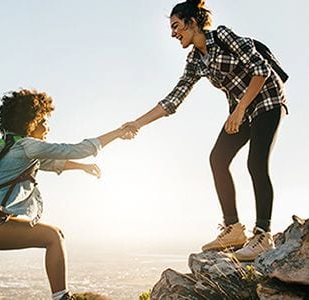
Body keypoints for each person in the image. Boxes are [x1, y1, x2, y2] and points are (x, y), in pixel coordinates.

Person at [122, 0, 287, 261]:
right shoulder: (195, 61)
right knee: (217, 159)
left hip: (266, 98)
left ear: (192, 22)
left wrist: (240, 109)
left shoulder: (222, 36)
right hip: (240, 109)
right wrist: (136, 123)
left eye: (176, 26)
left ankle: (263, 235)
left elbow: (261, 70)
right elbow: (173, 100)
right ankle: (233, 229)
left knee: (256, 163)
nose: (173, 33)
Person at [0, 88, 131, 300]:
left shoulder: (7, 148)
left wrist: (83, 168)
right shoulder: (28, 146)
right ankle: (62, 297)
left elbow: (54, 163)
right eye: (43, 121)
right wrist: (118, 133)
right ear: (31, 122)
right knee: (54, 236)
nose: (47, 127)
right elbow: (79, 149)